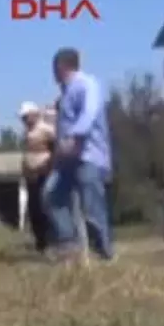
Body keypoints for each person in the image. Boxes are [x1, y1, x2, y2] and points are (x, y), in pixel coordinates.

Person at [42, 47, 115, 262]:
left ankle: (104, 252)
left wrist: (74, 136)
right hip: (67, 158)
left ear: (60, 67)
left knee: (92, 205)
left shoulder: (87, 84)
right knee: (51, 195)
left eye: (54, 69)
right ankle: (69, 244)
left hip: (88, 156)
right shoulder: (66, 92)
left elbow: (89, 113)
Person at [19, 101, 56, 252]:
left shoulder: (46, 130)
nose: (24, 120)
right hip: (31, 174)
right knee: (33, 206)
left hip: (44, 171)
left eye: (26, 116)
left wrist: (49, 164)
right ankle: (39, 241)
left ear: (33, 114)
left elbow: (55, 147)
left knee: (43, 205)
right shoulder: (27, 132)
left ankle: (49, 240)